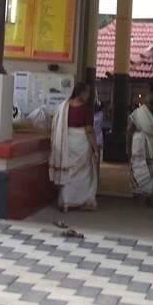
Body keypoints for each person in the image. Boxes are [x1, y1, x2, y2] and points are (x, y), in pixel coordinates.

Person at [49, 82, 98, 212]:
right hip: (81, 142)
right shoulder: (85, 109)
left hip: (66, 143)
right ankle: (80, 201)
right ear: (81, 93)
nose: (88, 95)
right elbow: (89, 130)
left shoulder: (63, 107)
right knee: (83, 173)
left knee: (68, 172)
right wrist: (95, 147)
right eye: (87, 92)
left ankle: (65, 202)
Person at [128, 93, 153, 201]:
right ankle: (141, 192)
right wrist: (127, 147)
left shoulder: (152, 113)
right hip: (140, 143)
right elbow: (129, 129)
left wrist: (128, 146)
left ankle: (145, 193)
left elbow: (129, 130)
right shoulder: (139, 113)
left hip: (143, 142)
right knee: (141, 166)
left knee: (151, 167)